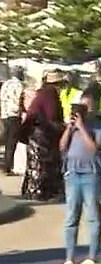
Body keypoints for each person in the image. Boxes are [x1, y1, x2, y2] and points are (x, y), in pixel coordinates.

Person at [59, 93, 101, 264]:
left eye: (87, 107)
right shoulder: (72, 127)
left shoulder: (98, 126)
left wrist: (82, 128)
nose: (84, 111)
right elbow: (62, 147)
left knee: (92, 215)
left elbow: (94, 149)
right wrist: (69, 129)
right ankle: (69, 257)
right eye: (81, 107)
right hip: (72, 172)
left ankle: (92, 256)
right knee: (71, 216)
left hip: (90, 173)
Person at [21, 70, 65, 202]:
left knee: (35, 164)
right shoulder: (50, 94)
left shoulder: (43, 93)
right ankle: (41, 192)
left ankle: (32, 191)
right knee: (43, 164)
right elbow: (51, 115)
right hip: (41, 133)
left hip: (35, 132)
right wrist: (62, 127)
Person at [0, 66, 24, 176]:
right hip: (14, 115)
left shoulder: (6, 84)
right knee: (11, 142)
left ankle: (5, 165)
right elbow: (19, 100)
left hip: (4, 115)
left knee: (6, 141)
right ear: (19, 74)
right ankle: (7, 167)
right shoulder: (19, 85)